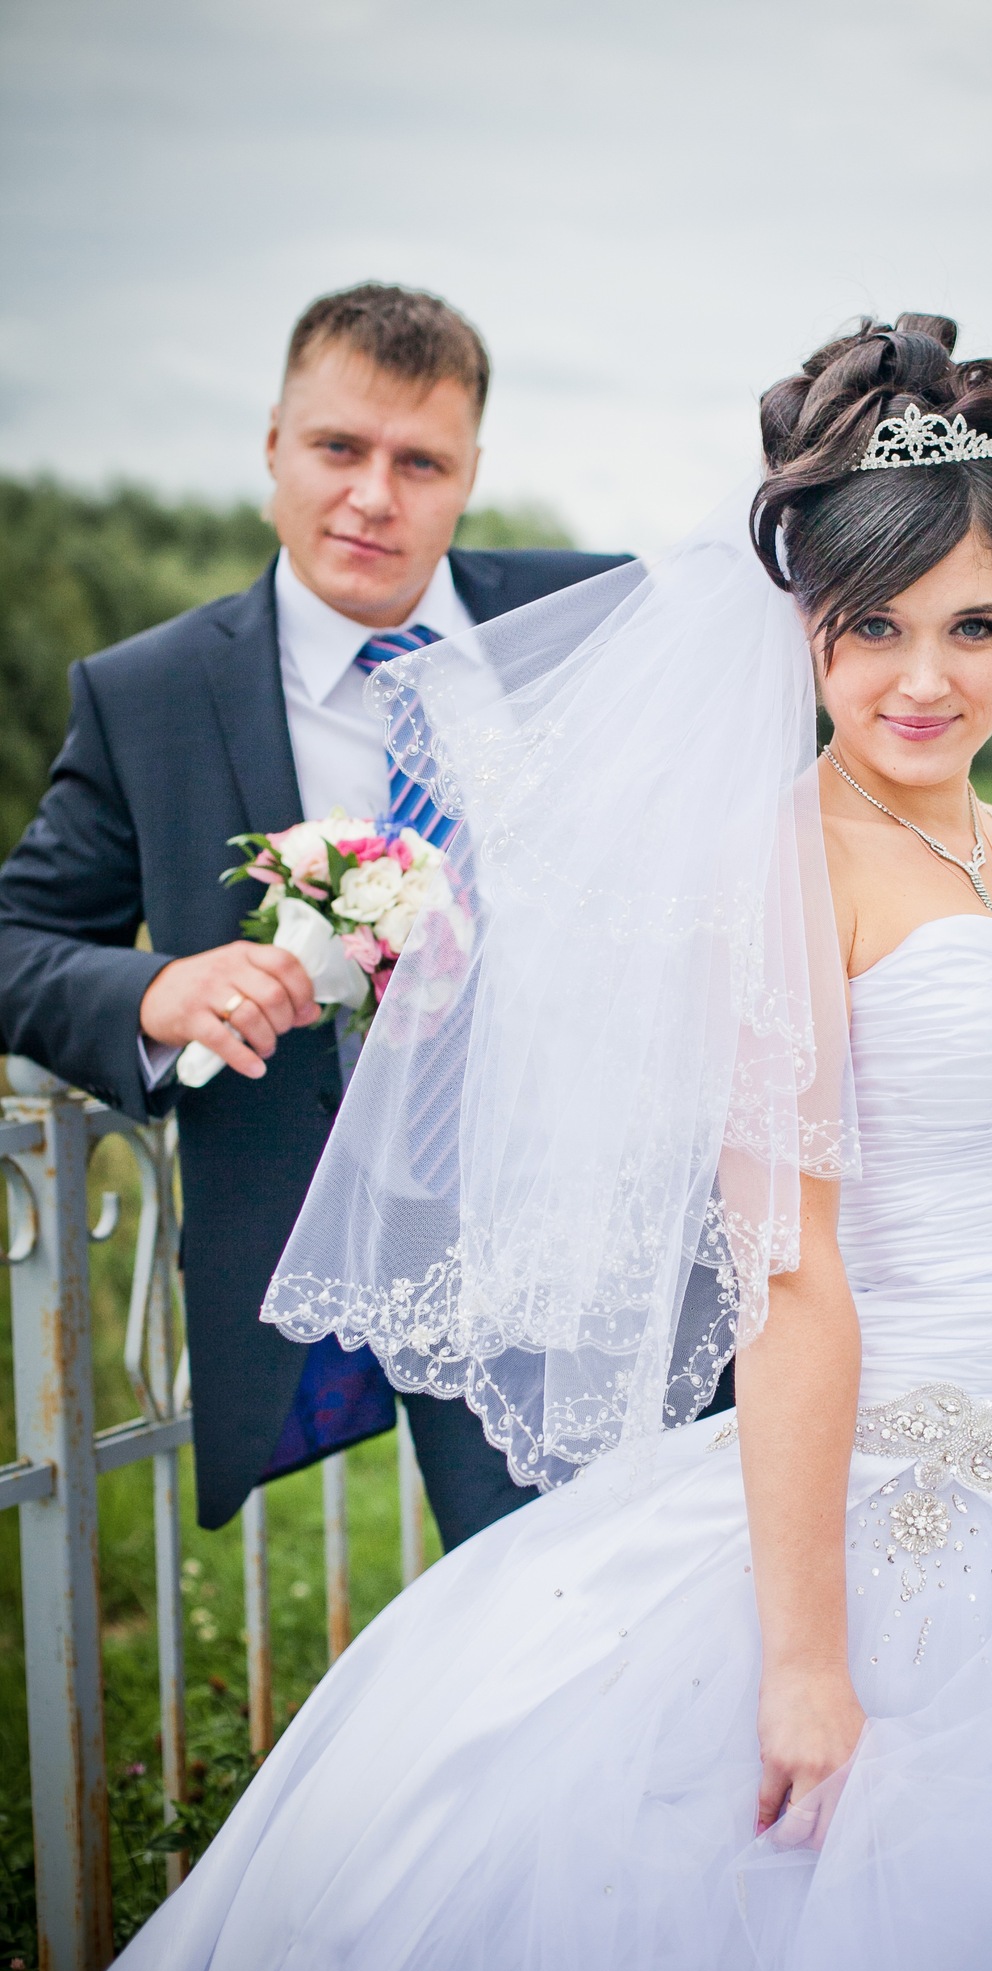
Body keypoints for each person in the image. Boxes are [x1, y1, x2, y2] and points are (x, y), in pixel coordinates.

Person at [56, 316, 992, 1971]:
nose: (924, 677)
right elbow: (790, 1277)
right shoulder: (777, 874)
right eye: (871, 626)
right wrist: (808, 1660)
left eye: (973, 624)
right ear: (801, 628)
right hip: (907, 1514)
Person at [0, 283, 634, 1547]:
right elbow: (16, 941)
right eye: (340, 447)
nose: (373, 495)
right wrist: (155, 989)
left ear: (470, 473)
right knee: (537, 1596)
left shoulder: (599, 618)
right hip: (404, 1248)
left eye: (421, 462)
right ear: (274, 448)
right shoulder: (150, 695)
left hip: (634, 1216)